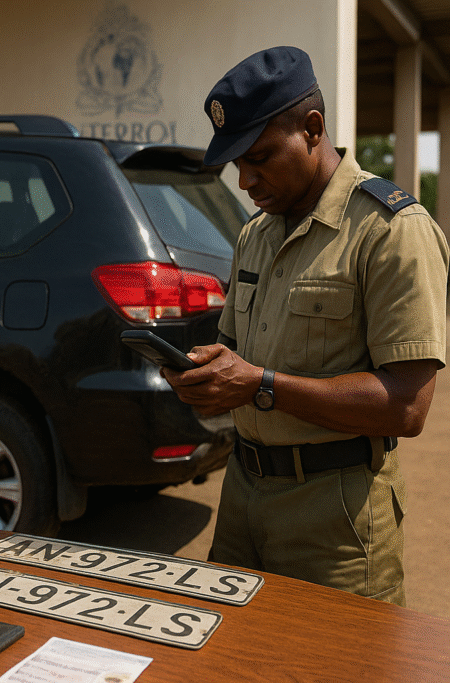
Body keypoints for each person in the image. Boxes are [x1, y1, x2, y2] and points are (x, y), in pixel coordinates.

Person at [162, 46, 448, 606]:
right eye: (237, 163)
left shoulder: (390, 231)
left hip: (334, 520)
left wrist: (261, 385)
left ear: (313, 129)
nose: (245, 179)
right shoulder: (256, 234)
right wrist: (208, 377)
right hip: (243, 497)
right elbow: (235, 352)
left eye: (261, 156)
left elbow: (408, 406)